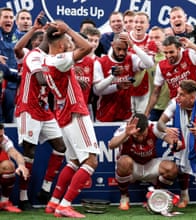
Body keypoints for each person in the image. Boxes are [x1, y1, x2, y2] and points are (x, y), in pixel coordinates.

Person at [42, 21, 99, 218]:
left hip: (63, 113)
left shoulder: (46, 60)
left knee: (74, 161)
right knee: (91, 160)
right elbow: (87, 47)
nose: (69, 43)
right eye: (66, 41)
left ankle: (53, 202)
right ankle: (65, 205)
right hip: (75, 111)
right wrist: (68, 29)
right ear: (60, 45)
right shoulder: (59, 59)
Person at [14, 13, 66, 209]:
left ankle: (45, 189)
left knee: (61, 147)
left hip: (44, 110)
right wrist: (60, 83)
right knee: (30, 151)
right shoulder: (34, 55)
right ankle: (23, 196)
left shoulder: (49, 57)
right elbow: (40, 79)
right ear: (54, 39)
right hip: (28, 107)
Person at [157, 80, 196, 208]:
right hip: (184, 139)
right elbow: (159, 124)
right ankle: (184, 195)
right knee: (181, 153)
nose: (178, 97)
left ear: (192, 98)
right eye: (178, 93)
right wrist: (167, 129)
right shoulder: (175, 102)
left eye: (182, 95)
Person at [108, 113, 178, 210]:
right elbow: (111, 145)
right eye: (137, 135)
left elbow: (175, 143)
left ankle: (156, 195)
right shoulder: (126, 128)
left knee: (172, 168)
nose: (140, 138)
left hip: (150, 164)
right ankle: (124, 197)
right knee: (123, 162)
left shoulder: (153, 127)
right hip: (132, 167)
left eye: (143, 135)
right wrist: (126, 134)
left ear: (147, 127)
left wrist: (175, 143)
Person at [144, 35, 196, 117]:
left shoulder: (189, 55)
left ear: (178, 49)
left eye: (171, 52)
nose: (168, 56)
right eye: (165, 53)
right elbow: (156, 92)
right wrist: (146, 113)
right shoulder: (161, 66)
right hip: (177, 107)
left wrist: (192, 46)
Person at [94, 33, 154, 122]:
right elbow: (97, 90)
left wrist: (133, 45)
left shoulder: (130, 59)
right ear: (112, 45)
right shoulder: (100, 62)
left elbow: (150, 64)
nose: (121, 53)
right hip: (104, 114)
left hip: (126, 115)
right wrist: (114, 81)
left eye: (124, 49)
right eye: (118, 49)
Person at [0, 123, 29, 213]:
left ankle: (4, 202)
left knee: (9, 167)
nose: (1, 138)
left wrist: (21, 165)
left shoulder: (4, 140)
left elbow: (16, 154)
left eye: (1, 135)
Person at [146, 26, 170, 121]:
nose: (154, 41)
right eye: (151, 38)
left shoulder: (171, 56)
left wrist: (163, 52)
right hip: (154, 107)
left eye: (157, 38)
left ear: (164, 39)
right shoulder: (146, 59)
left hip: (171, 105)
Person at [0, 7, 19, 123]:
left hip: (13, 85)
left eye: (11, 17)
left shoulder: (18, 36)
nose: (9, 20)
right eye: (5, 17)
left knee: (10, 121)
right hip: (1, 82)